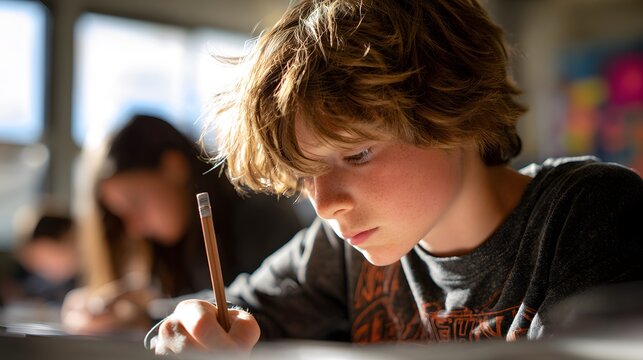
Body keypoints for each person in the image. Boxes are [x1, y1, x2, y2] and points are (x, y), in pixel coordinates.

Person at [147, 0, 643, 355]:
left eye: (357, 154)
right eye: (305, 175)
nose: (324, 205)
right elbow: (236, 312)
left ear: (456, 112)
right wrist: (187, 329)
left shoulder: (587, 214)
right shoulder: (344, 248)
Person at [61, 114, 308, 335]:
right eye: (122, 215)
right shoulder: (173, 248)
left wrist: (149, 313)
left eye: (135, 203)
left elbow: (270, 310)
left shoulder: (262, 218)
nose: (134, 227)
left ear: (173, 166)